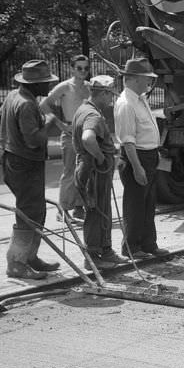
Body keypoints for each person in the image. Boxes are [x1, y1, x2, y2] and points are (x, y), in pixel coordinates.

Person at [0, 60, 61, 279]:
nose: (49, 87)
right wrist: (51, 123)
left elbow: (2, 116)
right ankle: (16, 263)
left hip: (14, 160)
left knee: (36, 211)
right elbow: (33, 140)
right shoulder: (26, 104)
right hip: (25, 163)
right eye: (45, 83)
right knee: (28, 213)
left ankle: (29, 257)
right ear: (34, 85)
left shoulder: (13, 96)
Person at [114, 57, 169, 259]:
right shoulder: (126, 104)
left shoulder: (139, 98)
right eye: (147, 78)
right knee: (135, 205)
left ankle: (148, 244)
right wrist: (137, 168)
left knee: (147, 204)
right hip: (136, 157)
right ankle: (131, 247)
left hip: (148, 156)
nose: (150, 82)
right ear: (135, 78)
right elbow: (128, 141)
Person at [72, 76, 127, 269]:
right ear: (103, 93)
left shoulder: (84, 109)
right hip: (94, 171)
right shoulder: (93, 116)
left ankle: (106, 250)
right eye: (110, 95)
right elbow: (88, 139)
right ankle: (93, 257)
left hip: (90, 170)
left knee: (102, 210)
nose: (111, 100)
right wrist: (101, 158)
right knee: (96, 212)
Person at [41, 54, 91, 222]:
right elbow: (44, 104)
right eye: (79, 68)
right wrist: (60, 124)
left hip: (86, 133)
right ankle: (62, 210)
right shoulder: (64, 87)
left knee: (84, 171)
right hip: (70, 133)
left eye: (86, 68)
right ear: (72, 68)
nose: (83, 71)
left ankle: (78, 207)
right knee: (69, 172)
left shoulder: (89, 87)